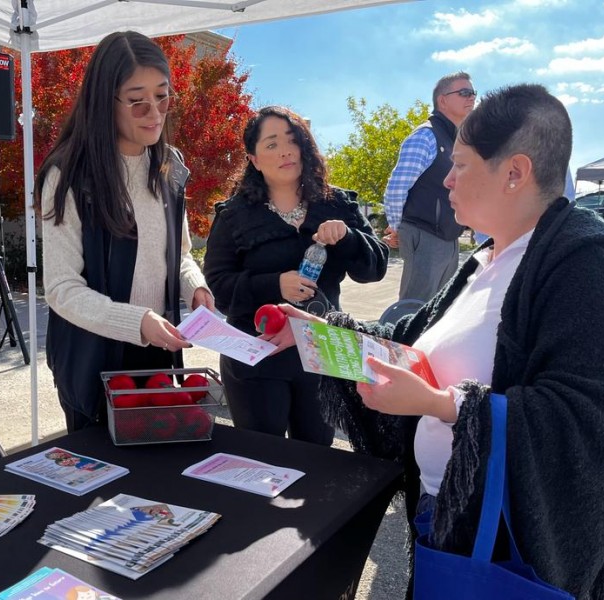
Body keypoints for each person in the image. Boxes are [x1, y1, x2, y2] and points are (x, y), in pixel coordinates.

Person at [265, 84, 604, 597]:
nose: (446, 178)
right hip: (451, 527)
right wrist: (317, 332)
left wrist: (442, 405)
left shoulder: (592, 263)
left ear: (514, 172)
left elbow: (592, 422)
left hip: (517, 556)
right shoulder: (487, 258)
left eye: (461, 164)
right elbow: (409, 338)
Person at [34, 31, 213, 433]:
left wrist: (194, 287)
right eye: (137, 101)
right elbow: (62, 289)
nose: (154, 112)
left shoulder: (169, 165)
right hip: (93, 360)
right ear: (104, 100)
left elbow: (179, 253)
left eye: (163, 96)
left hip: (156, 354)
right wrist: (137, 321)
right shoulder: (69, 174)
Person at [203, 106, 388, 446]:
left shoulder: (337, 204)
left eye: (292, 140)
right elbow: (218, 286)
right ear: (254, 159)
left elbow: (374, 269)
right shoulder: (235, 216)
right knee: (260, 456)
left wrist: (347, 237)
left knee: (317, 456)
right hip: (256, 356)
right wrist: (274, 284)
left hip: (320, 351)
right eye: (271, 144)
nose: (286, 150)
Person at [383, 72, 475, 303]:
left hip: (448, 237)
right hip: (425, 236)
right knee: (414, 308)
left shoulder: (454, 139)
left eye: (473, 93)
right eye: (464, 92)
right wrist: (396, 228)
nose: (471, 97)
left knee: (440, 309)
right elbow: (397, 187)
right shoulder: (426, 135)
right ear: (442, 100)